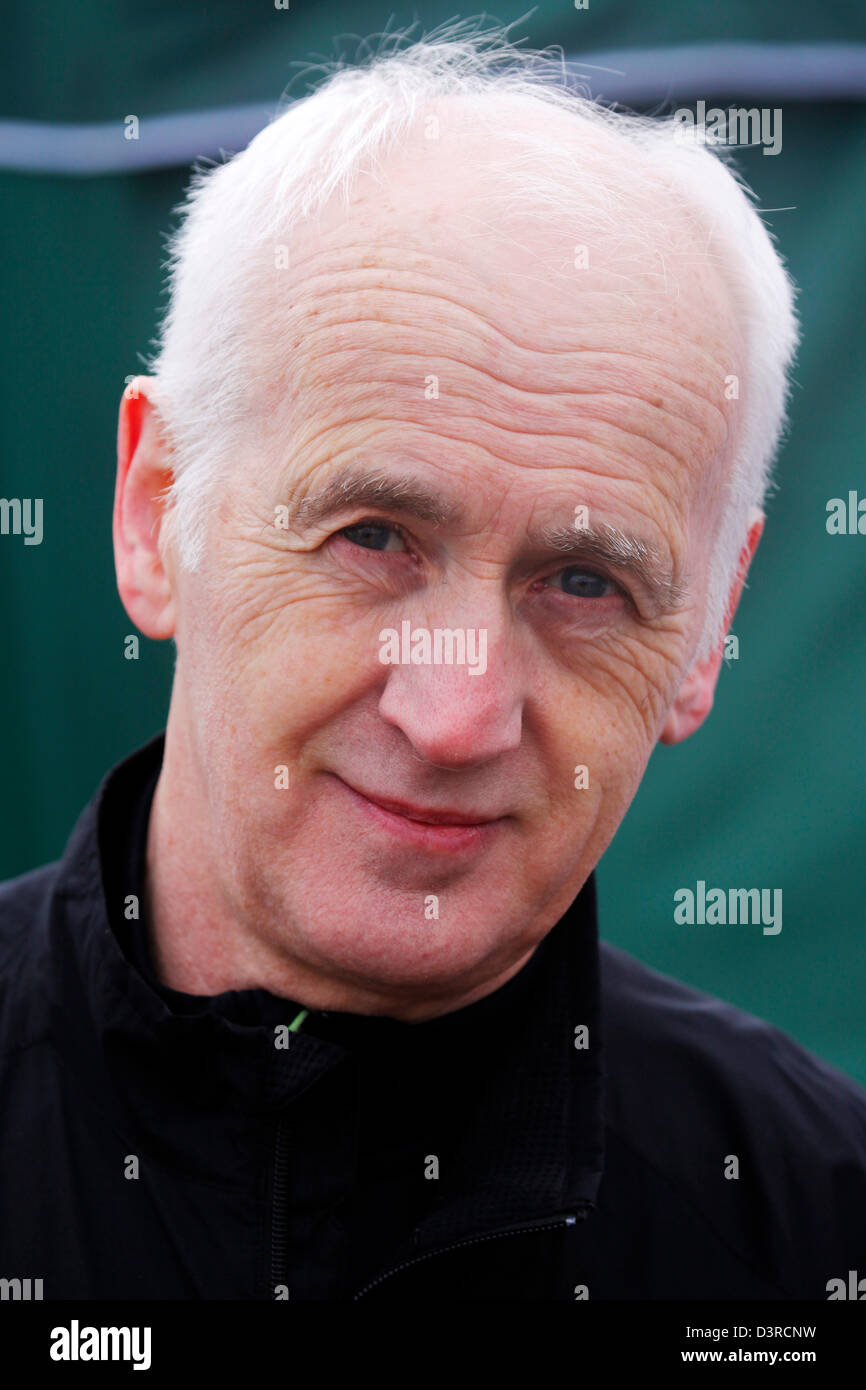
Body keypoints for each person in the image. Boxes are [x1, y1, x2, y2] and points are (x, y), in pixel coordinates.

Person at [1, 24, 864, 1301]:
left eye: (583, 582)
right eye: (374, 538)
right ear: (154, 509)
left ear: (704, 629)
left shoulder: (807, 1227)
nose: (456, 714)